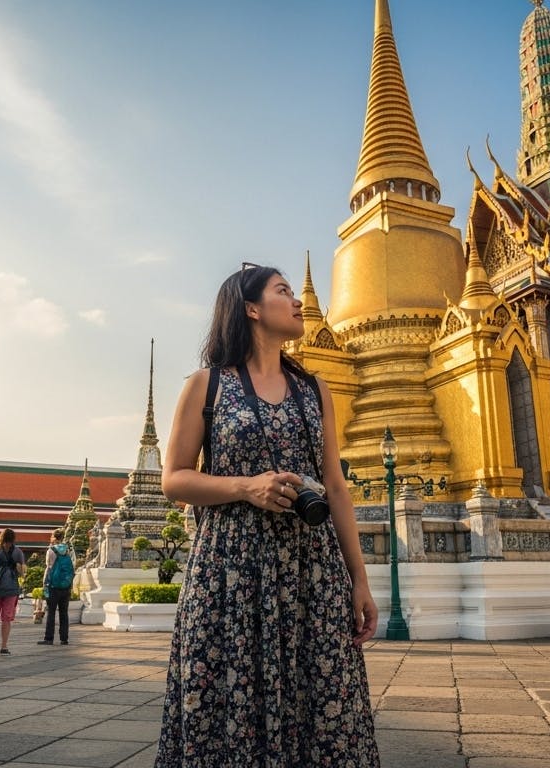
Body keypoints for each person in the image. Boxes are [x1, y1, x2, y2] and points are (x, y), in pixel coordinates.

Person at [154, 264, 379, 765]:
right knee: (230, 702)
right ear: (251, 308)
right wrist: (245, 486)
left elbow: (336, 488)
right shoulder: (207, 385)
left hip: (311, 571)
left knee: (323, 705)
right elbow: (174, 480)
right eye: (283, 291)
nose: (297, 301)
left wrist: (359, 580)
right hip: (229, 571)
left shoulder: (315, 390)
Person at [0, 528, 25, 656]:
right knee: (6, 619)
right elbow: (22, 571)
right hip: (11, 588)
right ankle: (4, 647)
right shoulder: (18, 552)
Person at [37, 529, 72, 646]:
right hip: (66, 585)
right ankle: (64, 638)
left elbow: (49, 567)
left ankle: (49, 638)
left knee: (51, 612)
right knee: (64, 612)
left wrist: (44, 583)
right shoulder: (68, 550)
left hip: (53, 585)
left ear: (54, 538)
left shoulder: (51, 550)